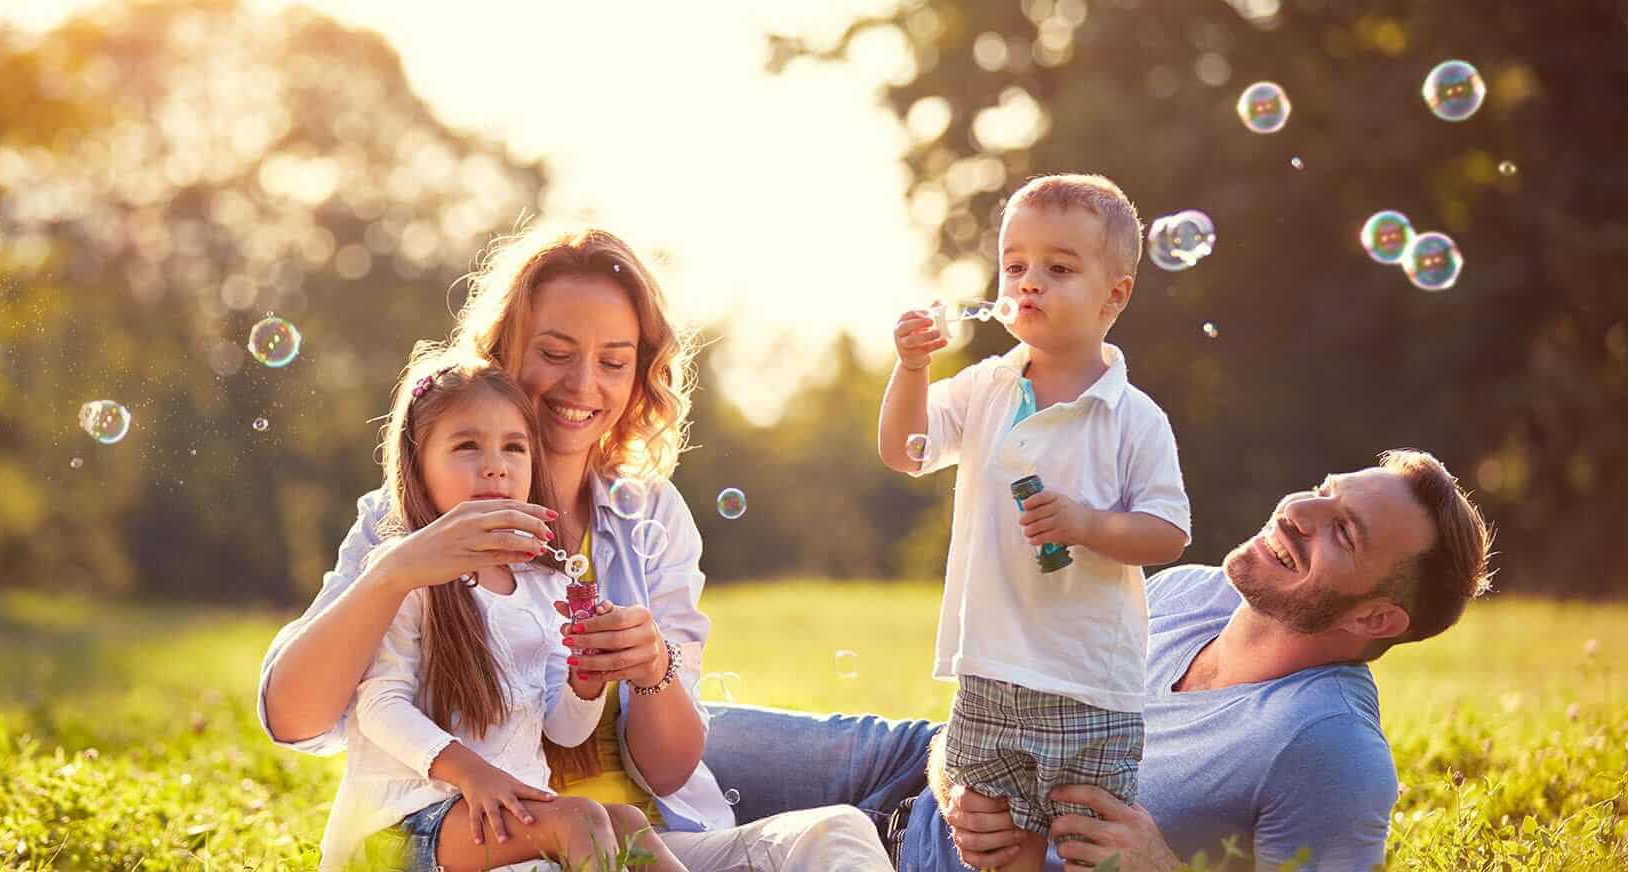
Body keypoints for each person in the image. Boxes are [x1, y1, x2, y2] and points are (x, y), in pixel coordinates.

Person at [259, 224, 891, 870]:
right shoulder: (408, 522)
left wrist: (653, 670)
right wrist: (392, 573)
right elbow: (296, 718)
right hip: (478, 843)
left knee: (837, 835)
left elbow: (663, 768)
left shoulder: (650, 517)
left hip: (638, 841)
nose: (583, 385)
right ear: (502, 352)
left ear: (639, 375)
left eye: (614, 362)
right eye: (556, 352)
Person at [705, 450, 1494, 871]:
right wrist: (954, 757)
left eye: (1343, 532)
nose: (1299, 511)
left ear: (1375, 617)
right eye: (1323, 490)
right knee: (655, 731)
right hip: (912, 763)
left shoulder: (1331, 749)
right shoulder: (1188, 592)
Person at [876, 173, 1191, 870]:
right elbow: (905, 450)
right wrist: (910, 370)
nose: (1028, 282)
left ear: (1116, 295)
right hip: (988, 668)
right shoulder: (988, 385)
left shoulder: (1131, 417)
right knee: (995, 844)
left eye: (1059, 267)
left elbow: (1168, 533)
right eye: (1015, 265)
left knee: (1086, 849)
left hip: (1087, 681)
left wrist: (1086, 524)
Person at [339, 353, 681, 870]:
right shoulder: (406, 572)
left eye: (514, 447)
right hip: (405, 825)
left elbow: (563, 731)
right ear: (418, 464)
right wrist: (471, 772)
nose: (496, 464)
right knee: (581, 820)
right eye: (467, 445)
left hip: (500, 813)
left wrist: (585, 681)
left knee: (628, 823)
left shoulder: (543, 583)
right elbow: (378, 706)